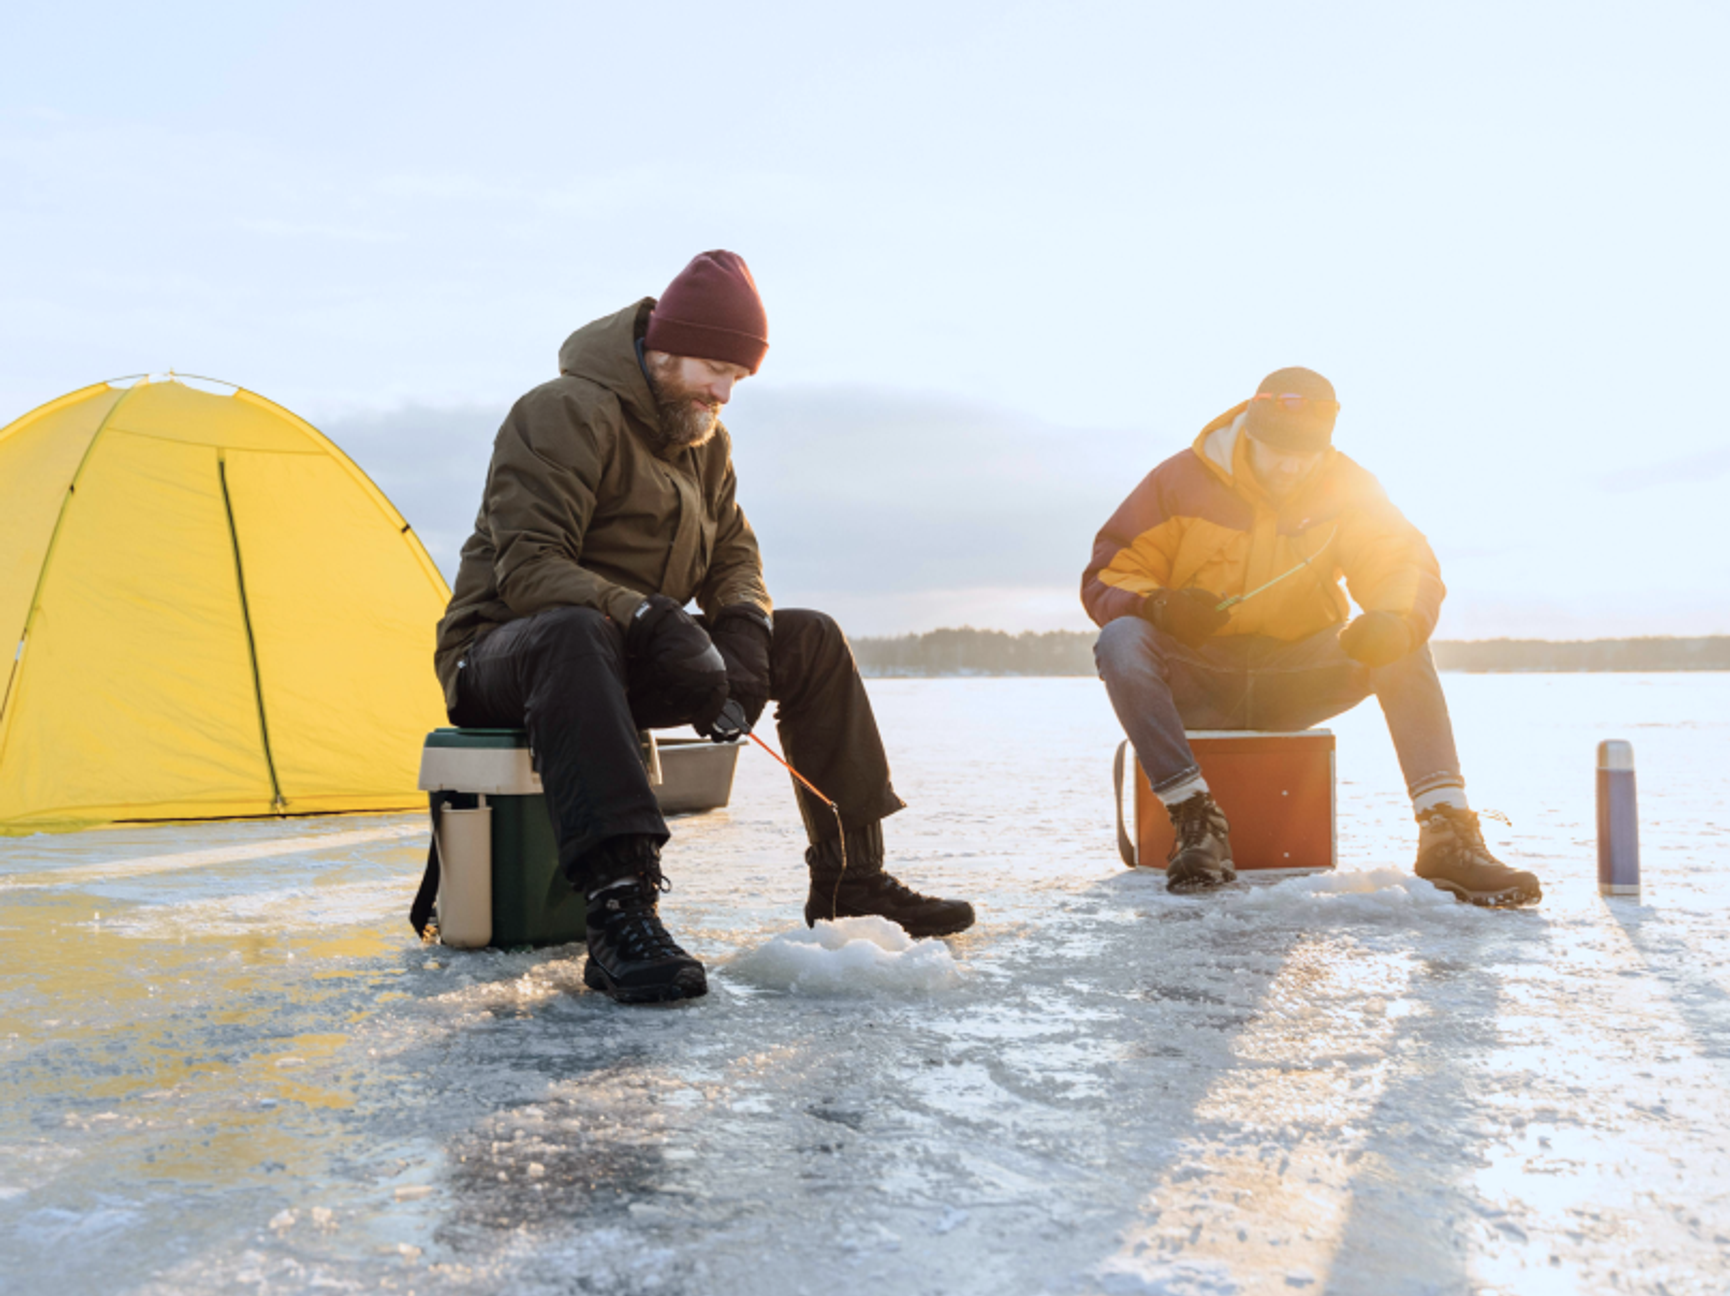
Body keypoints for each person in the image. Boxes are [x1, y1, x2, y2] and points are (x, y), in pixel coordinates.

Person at [434, 251, 974, 1005]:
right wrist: (650, 616)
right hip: (504, 652)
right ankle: (620, 908)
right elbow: (528, 569)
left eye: (738, 379)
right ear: (662, 345)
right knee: (574, 630)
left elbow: (733, 553)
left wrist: (745, 632)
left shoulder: (705, 440)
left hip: (617, 652)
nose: (724, 392)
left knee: (809, 637)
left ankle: (851, 880)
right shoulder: (561, 411)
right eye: (715, 369)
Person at [1083, 367, 1541, 907]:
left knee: (1404, 641)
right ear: (1248, 429)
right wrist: (1161, 605)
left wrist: (1394, 620)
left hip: (1295, 678)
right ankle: (1195, 821)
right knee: (1121, 639)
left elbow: (1404, 565)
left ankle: (1446, 834)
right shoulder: (1179, 480)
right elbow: (1110, 571)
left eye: (1303, 452)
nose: (1287, 465)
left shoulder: (1349, 487)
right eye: (1274, 448)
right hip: (1200, 676)